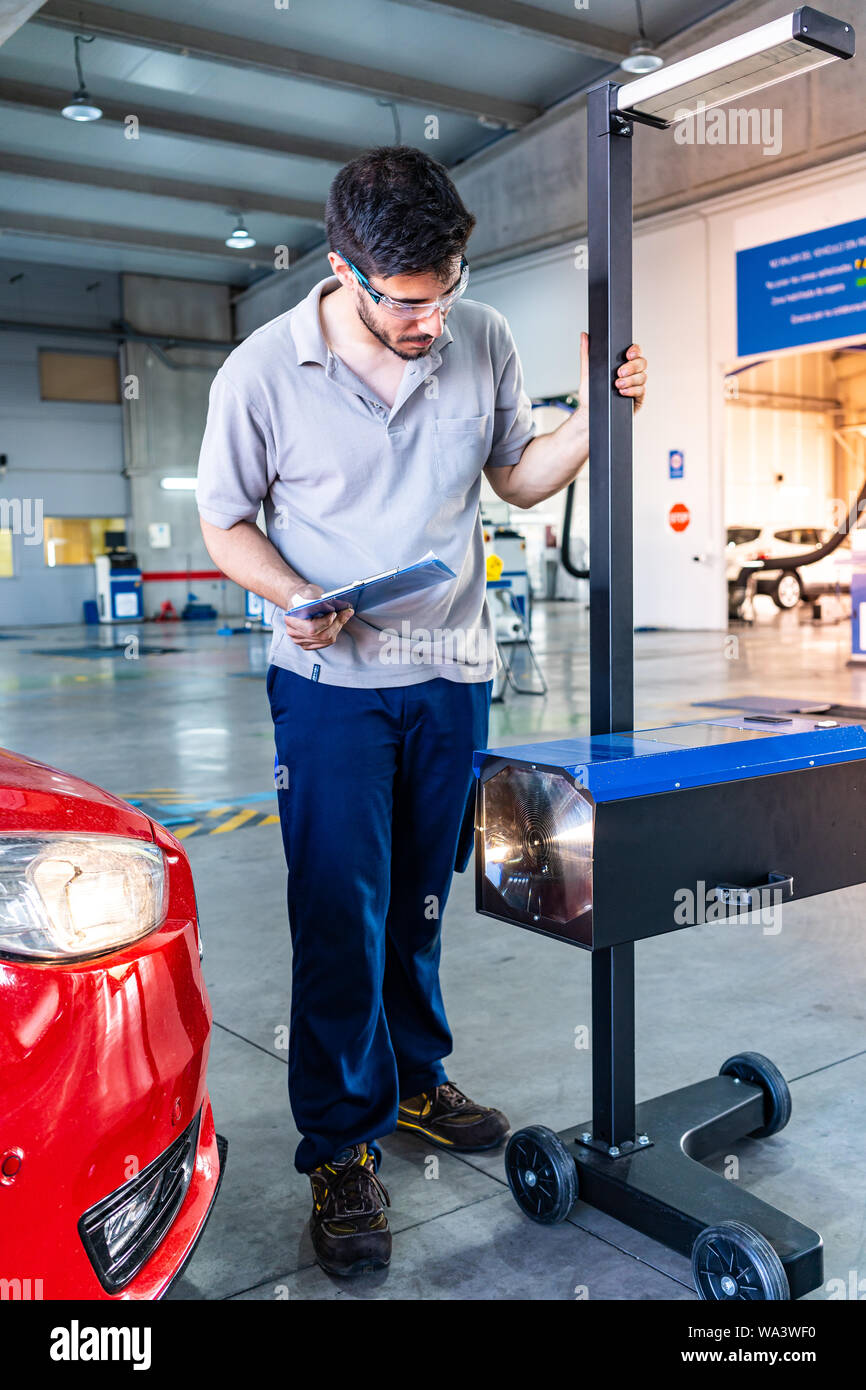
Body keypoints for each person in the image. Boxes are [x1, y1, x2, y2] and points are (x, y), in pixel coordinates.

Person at [197, 145, 647, 1278]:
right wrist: (293, 596)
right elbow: (224, 525)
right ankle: (341, 1146)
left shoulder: (479, 336)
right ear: (344, 270)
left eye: (447, 288)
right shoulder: (261, 372)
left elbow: (519, 476)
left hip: (451, 674)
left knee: (422, 898)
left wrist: (598, 411)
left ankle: (413, 1080)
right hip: (331, 689)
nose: (432, 319)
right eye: (408, 301)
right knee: (338, 911)